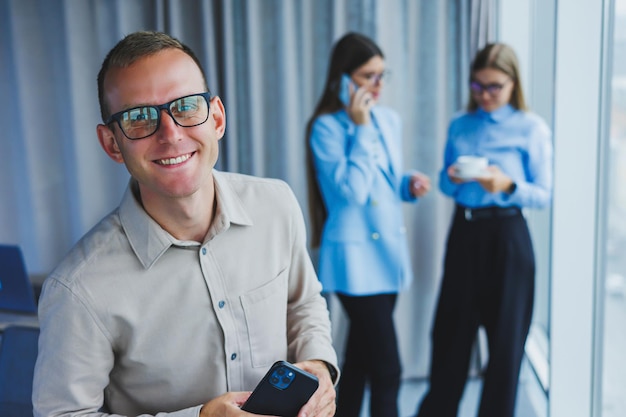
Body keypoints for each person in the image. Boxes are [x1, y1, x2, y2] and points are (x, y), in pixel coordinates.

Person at [32, 31, 339, 417]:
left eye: (187, 106)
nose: (171, 134)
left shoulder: (276, 205)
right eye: (139, 117)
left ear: (217, 118)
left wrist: (318, 365)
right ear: (112, 144)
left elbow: (303, 302)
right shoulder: (76, 288)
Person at [414, 43, 553, 417]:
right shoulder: (461, 123)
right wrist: (454, 177)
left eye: (494, 87)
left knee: (506, 349)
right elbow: (446, 184)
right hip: (465, 233)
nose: (485, 95)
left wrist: (507, 186)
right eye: (478, 86)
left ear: (512, 84)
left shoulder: (531, 128)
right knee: (449, 341)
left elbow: (544, 193)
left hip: (509, 238)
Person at [305, 32, 431, 417]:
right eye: (367, 76)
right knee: (388, 368)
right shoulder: (325, 127)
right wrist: (359, 128)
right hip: (354, 262)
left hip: (387, 253)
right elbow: (351, 194)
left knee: (359, 362)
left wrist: (407, 185)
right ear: (343, 79)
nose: (377, 86)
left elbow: (384, 182)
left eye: (381, 76)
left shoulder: (388, 120)